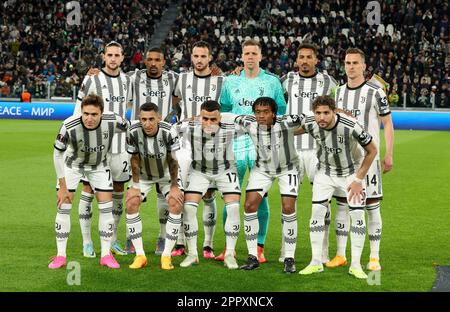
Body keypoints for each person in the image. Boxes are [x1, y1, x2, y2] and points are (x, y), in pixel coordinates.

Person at [219, 39, 287, 263]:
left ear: (260, 56)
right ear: (241, 55)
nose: (249, 57)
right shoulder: (229, 82)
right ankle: (229, 248)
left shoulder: (272, 82)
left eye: (253, 53)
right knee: (230, 196)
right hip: (235, 145)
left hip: (261, 146)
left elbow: (281, 111)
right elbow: (225, 110)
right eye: (246, 53)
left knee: (260, 196)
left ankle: (259, 246)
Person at [296, 95, 377, 279]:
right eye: (318, 113)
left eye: (326, 113)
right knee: (316, 212)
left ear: (334, 112)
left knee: (357, 214)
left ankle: (356, 265)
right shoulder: (311, 123)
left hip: (350, 173)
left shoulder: (351, 126)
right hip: (324, 173)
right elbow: (292, 130)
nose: (321, 117)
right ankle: (316, 262)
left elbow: (372, 150)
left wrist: (358, 179)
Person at [330, 48, 394, 272]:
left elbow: (387, 123)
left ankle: (374, 257)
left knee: (371, 206)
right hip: (344, 160)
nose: (351, 66)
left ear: (364, 66)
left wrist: (389, 154)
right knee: (342, 206)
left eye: (355, 63)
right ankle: (340, 254)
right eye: (348, 62)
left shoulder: (376, 92)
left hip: (370, 159)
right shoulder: (337, 92)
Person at [49, 94, 128, 269]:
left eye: (94, 114)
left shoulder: (114, 120)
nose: (89, 118)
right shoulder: (69, 125)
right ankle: (61, 255)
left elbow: (131, 128)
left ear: (102, 113)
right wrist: (62, 186)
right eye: (86, 114)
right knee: (63, 206)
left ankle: (106, 255)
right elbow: (57, 154)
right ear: (81, 112)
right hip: (73, 166)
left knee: (106, 208)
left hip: (99, 166)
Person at [280, 42, 337, 264]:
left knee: (323, 201)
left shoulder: (329, 82)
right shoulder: (286, 81)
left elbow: (337, 108)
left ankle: (323, 252)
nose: (304, 61)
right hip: (291, 151)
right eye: (301, 57)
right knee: (288, 202)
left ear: (316, 60)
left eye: (308, 57)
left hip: (319, 151)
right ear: (296, 60)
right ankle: (286, 250)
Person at [74, 41, 132, 257]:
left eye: (117, 55)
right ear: (103, 56)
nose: (113, 58)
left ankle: (113, 238)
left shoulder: (127, 81)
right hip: (95, 146)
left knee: (118, 191)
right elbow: (77, 109)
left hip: (120, 147)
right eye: (110, 55)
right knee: (88, 191)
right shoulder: (92, 78)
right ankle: (87, 242)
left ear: (123, 57)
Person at [172, 41, 226, 259]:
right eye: (196, 56)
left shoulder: (220, 80)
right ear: (191, 57)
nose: (199, 60)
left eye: (203, 56)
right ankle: (180, 242)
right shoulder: (182, 78)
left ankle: (208, 244)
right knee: (183, 192)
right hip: (186, 143)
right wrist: (182, 118)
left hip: (211, 144)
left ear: (210, 57)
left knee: (209, 194)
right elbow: (175, 99)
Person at [236, 97, 301, 273]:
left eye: (265, 112)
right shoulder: (248, 123)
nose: (261, 116)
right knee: (249, 205)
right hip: (262, 169)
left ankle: (289, 257)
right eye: (258, 112)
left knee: (288, 208)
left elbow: (310, 119)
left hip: (288, 168)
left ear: (274, 113)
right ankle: (252, 256)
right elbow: (227, 116)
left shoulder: (287, 122)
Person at [176, 100, 241, 269]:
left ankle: (229, 254)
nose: (209, 123)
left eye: (213, 119)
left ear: (220, 117)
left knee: (233, 207)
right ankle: (192, 254)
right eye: (205, 119)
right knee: (189, 208)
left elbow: (254, 124)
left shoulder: (231, 126)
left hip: (226, 170)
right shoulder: (189, 128)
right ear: (200, 117)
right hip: (199, 171)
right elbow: (169, 128)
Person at [128, 47, 180, 256]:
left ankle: (162, 236)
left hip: (164, 136)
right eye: (149, 59)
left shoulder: (174, 78)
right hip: (137, 138)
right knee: (132, 190)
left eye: (157, 60)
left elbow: (188, 87)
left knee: (163, 190)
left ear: (164, 61)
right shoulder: (134, 77)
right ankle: (132, 239)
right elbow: (113, 74)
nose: (152, 63)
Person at [124, 102, 184, 269]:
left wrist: (174, 186)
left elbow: (173, 160)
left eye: (151, 119)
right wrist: (135, 185)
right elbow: (134, 158)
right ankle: (140, 255)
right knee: (131, 202)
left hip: (166, 174)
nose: (147, 123)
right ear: (139, 119)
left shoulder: (168, 131)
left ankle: (166, 256)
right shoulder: (134, 131)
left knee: (175, 203)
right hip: (143, 175)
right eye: (143, 119)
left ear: (158, 118)